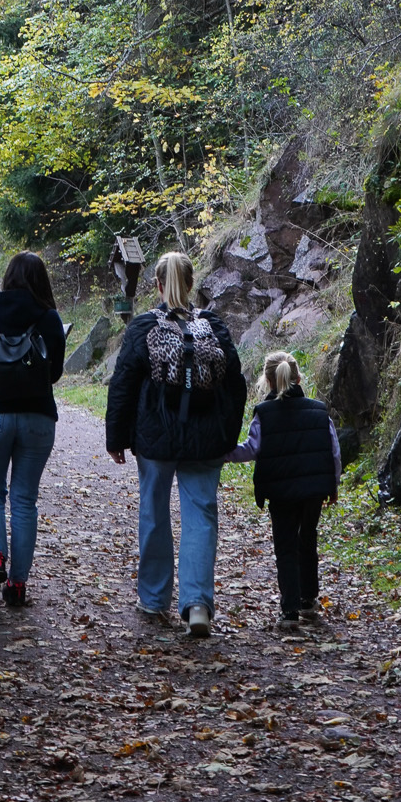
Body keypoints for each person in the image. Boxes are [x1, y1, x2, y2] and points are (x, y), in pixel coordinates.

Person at [104, 250, 246, 639]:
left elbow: (123, 384)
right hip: (205, 441)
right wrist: (227, 436)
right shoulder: (213, 326)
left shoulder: (143, 326)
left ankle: (153, 599)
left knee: (154, 512)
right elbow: (236, 385)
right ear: (191, 282)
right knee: (201, 516)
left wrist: (116, 437)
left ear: (158, 284)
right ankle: (197, 604)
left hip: (156, 438)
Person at [0, 251, 66, 608]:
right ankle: (18, 585)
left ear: (8, 278)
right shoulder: (50, 319)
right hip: (38, 419)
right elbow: (54, 373)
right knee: (24, 500)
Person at [231, 349, 343, 629]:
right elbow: (333, 451)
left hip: (280, 492)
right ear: (298, 378)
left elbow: (251, 449)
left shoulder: (264, 413)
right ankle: (308, 599)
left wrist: (222, 452)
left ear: (268, 381)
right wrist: (333, 484)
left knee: (286, 546)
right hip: (314, 491)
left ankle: (290, 610)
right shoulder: (319, 411)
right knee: (308, 539)